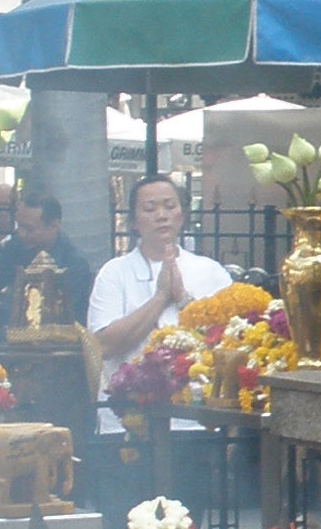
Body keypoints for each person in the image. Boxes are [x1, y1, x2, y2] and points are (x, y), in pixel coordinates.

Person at [86, 174, 232, 432]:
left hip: (195, 423)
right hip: (127, 424)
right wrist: (161, 296)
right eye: (150, 209)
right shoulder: (114, 272)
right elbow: (104, 346)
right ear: (133, 222)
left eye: (170, 206)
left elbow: (230, 343)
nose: (161, 215)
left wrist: (184, 300)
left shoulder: (211, 271)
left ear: (182, 215)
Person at [0, 186, 95, 327]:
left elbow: (57, 318)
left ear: (53, 226)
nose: (22, 234)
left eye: (29, 229)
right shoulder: (18, 245)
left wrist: (0, 312)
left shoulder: (74, 264)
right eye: (20, 226)